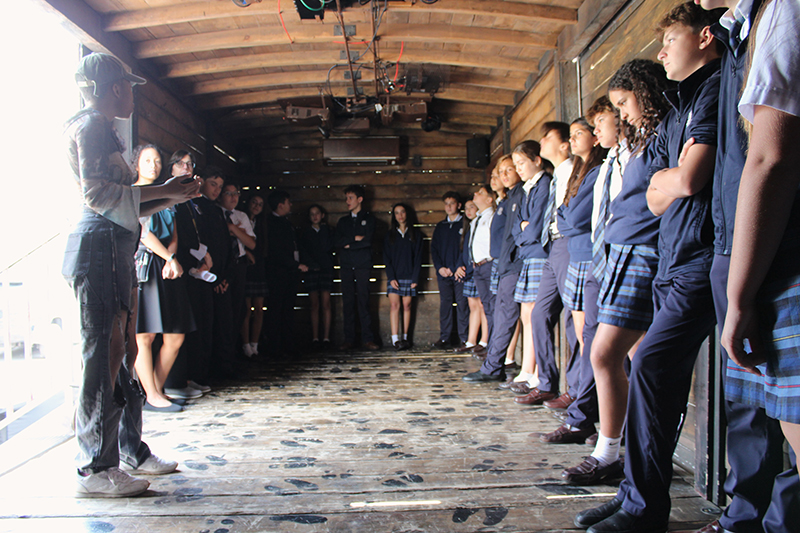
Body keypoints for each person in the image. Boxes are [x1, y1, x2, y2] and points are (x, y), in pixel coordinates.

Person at [576, 4, 724, 531]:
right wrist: (673, 180)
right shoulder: (678, 112)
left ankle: (642, 505)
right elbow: (658, 193)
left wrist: (673, 180)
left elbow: (682, 183)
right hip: (674, 257)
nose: (661, 54)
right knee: (649, 371)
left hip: (699, 257)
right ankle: (636, 494)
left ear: (706, 37)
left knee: (651, 365)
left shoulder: (711, 90)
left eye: (670, 41)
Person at [63, 53, 198, 497]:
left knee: (120, 357)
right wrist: (164, 191)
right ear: (116, 87)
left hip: (116, 249)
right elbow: (99, 195)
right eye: (129, 86)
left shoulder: (105, 129)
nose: (134, 94)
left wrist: (169, 195)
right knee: (103, 357)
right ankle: (93, 469)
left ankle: (129, 450)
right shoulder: (91, 126)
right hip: (99, 248)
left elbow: (127, 201)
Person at [705, 0, 800, 532]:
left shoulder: (784, 9)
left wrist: (739, 297)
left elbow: (771, 156)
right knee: (784, 421)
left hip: (785, 249)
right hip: (754, 245)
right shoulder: (741, 29)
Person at [539, 111, 611, 448]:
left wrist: (566, 217)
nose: (576, 138)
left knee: (591, 340)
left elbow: (572, 218)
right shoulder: (577, 171)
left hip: (586, 254)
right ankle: (583, 410)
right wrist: (566, 217)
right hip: (579, 253)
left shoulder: (597, 170)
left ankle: (585, 414)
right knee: (584, 337)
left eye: (581, 132)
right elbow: (564, 214)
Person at [131, 144, 196, 413]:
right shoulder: (134, 194)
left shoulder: (165, 195)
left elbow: (175, 233)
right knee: (143, 335)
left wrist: (172, 258)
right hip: (145, 265)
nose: (153, 165)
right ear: (136, 164)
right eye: (147, 160)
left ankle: (154, 391)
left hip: (170, 266)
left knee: (175, 336)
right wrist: (168, 259)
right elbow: (143, 232)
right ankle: (152, 395)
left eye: (157, 160)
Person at [463, 155, 525, 382]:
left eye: (509, 170)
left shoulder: (520, 196)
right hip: (503, 263)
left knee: (508, 313)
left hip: (511, 263)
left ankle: (498, 365)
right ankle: (494, 364)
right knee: (499, 313)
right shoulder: (506, 201)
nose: (502, 176)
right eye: (501, 171)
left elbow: (521, 230)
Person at [507, 141, 551, 401]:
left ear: (537, 160)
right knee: (526, 313)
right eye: (516, 165)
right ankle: (526, 369)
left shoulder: (544, 184)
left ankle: (536, 372)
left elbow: (534, 230)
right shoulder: (527, 189)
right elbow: (517, 228)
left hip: (539, 255)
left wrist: (525, 230)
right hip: (528, 254)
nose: (518, 169)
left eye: (522, 163)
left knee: (534, 314)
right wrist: (524, 230)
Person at [334, 185, 379, 351]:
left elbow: (368, 242)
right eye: (346, 198)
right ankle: (349, 339)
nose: (347, 201)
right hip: (346, 266)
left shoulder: (370, 219)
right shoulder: (343, 221)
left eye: (350, 198)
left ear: (360, 199)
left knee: (364, 301)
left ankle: (368, 339)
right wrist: (354, 239)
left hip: (363, 265)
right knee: (347, 302)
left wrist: (348, 244)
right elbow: (337, 242)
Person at [264, 190, 307, 357]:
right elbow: (276, 251)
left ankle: (288, 344)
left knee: (288, 309)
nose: (290, 205)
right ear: (280, 205)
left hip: (290, 272)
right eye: (288, 202)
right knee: (276, 309)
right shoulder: (271, 223)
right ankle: (275, 346)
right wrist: (294, 264)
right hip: (278, 273)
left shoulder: (286, 223)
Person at [218, 183, 255, 358]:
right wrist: (236, 232)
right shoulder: (215, 213)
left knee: (239, 309)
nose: (233, 197)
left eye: (236, 193)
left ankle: (233, 353)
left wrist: (233, 229)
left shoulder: (241, 216)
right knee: (224, 312)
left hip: (239, 264)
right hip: (222, 265)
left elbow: (251, 243)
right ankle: (222, 356)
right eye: (228, 193)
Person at [430, 192, 469, 349]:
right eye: (446, 203)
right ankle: (444, 338)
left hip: (460, 272)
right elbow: (434, 249)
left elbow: (466, 248)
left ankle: (464, 338)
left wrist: (456, 267)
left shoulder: (465, 224)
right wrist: (440, 268)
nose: (449, 206)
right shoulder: (441, 226)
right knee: (445, 304)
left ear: (459, 205)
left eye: (452, 203)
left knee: (462, 304)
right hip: (444, 274)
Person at [383, 203, 423, 350]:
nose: (400, 215)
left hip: (409, 275)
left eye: (402, 212)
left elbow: (419, 258)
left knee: (407, 306)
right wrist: (391, 277)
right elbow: (386, 258)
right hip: (395, 277)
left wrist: (415, 278)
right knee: (394, 305)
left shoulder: (416, 235)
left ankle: (405, 338)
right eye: (397, 213)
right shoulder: (389, 236)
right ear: (394, 216)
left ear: (407, 214)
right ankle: (395, 340)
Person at [466, 183, 497, 359]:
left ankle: (492, 345)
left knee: (492, 306)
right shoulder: (476, 219)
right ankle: (490, 345)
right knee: (486, 306)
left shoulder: (492, 216)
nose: (475, 194)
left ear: (489, 199)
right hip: (477, 266)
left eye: (481, 193)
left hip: (488, 264)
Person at [454, 199, 489, 354]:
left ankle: (485, 341)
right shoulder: (469, 227)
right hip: (469, 271)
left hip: (478, 269)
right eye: (466, 208)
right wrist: (460, 266)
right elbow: (464, 251)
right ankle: (471, 341)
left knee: (483, 306)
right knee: (473, 306)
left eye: (472, 207)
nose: (468, 211)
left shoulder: (481, 223)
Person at [299, 204, 335, 350]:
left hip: (326, 269)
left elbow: (329, 248)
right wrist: (311, 264)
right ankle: (315, 338)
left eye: (317, 213)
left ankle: (326, 338)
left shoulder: (328, 231)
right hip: (311, 269)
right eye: (312, 214)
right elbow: (303, 250)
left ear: (322, 215)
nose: (315, 216)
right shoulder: (305, 232)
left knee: (326, 304)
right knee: (314, 304)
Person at [241, 195, 267, 357]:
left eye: (260, 204)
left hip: (259, 268)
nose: (257, 206)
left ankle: (255, 345)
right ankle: (245, 346)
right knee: (245, 309)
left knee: (259, 308)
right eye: (254, 202)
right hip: (244, 267)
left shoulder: (262, 224)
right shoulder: (240, 218)